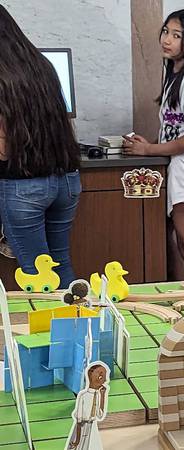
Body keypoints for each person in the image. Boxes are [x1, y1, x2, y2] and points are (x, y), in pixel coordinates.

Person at [123, 9, 184, 280]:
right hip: (179, 168)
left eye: (177, 35)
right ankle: (179, 297)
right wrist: (149, 144)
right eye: (166, 32)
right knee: (175, 243)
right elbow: (175, 130)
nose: (167, 39)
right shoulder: (175, 74)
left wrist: (149, 150)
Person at [0, 6, 82, 288]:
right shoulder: (41, 65)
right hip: (66, 181)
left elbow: (4, 149)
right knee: (59, 264)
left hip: (24, 187)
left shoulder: (2, 76)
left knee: (38, 276)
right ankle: (77, 324)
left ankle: (52, 332)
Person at [68, 362, 109, 450]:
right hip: (83, 428)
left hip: (93, 427)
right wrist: (77, 440)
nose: (105, 380)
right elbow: (79, 420)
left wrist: (103, 396)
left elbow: (100, 415)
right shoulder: (83, 396)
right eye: (103, 376)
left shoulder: (97, 395)